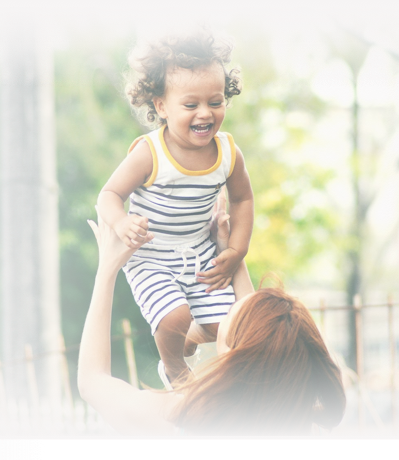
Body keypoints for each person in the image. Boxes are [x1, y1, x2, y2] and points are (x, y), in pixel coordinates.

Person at [77, 202, 346, 438]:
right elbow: (261, 344)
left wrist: (107, 269)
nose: (230, 305)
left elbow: (92, 381)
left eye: (230, 312)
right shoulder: (300, 424)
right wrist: (228, 252)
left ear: (233, 355)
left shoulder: (175, 420)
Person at [96, 29, 254, 389]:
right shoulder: (150, 153)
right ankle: (176, 372)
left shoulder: (228, 152)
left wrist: (236, 249)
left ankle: (183, 338)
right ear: (161, 105)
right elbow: (108, 194)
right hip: (150, 256)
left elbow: (244, 199)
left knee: (223, 326)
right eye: (190, 105)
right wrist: (121, 223)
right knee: (174, 315)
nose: (205, 113)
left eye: (215, 102)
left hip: (198, 253)